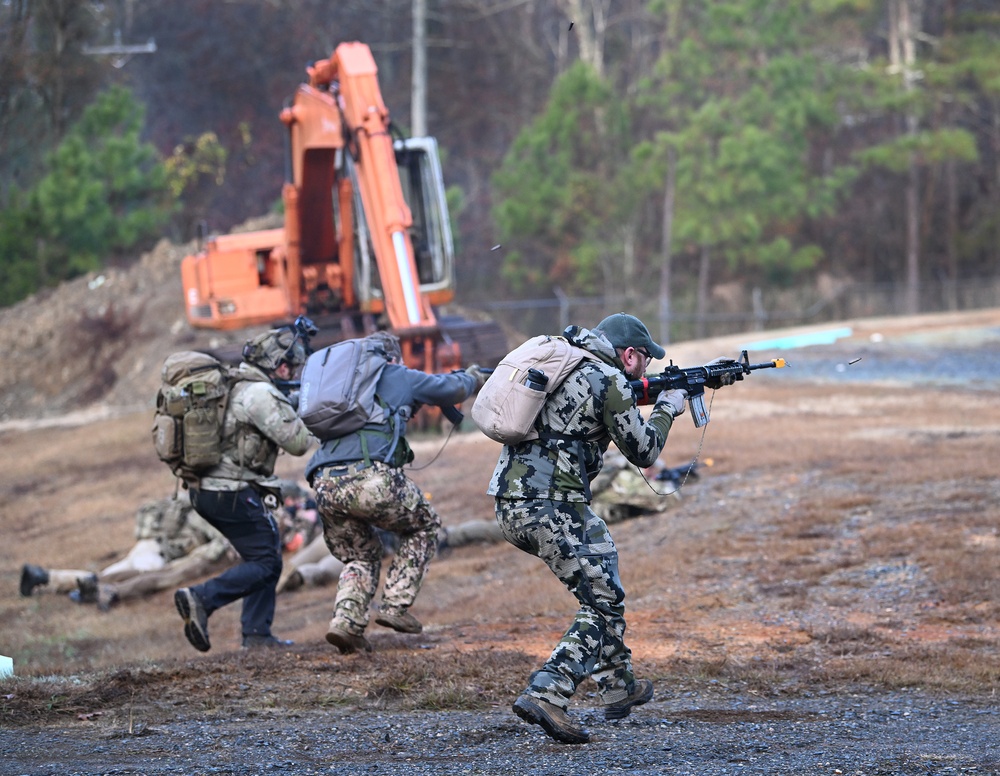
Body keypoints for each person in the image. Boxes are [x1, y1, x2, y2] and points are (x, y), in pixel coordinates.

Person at [487, 312, 691, 745]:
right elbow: (644, 450)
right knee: (601, 603)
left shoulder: (566, 363)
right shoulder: (608, 379)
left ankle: (619, 687)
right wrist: (669, 408)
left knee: (602, 586)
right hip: (553, 505)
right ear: (629, 354)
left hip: (511, 502)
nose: (646, 370)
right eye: (644, 361)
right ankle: (548, 691)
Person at [305, 331, 486, 654]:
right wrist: (472, 377)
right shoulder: (395, 373)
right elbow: (451, 388)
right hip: (370, 478)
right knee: (424, 526)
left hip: (324, 482)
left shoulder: (343, 388)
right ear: (391, 357)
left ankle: (346, 624)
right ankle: (395, 606)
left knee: (359, 554)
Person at [173, 326, 314, 652]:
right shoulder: (260, 394)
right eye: (291, 368)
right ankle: (200, 598)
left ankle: (256, 634)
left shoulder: (236, 385)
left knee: (265, 553)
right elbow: (298, 442)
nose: (291, 374)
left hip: (208, 491)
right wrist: (312, 413)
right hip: (229, 492)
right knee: (266, 561)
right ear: (280, 367)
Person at [19, 494, 234, 611]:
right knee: (139, 576)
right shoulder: (211, 512)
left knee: (112, 572)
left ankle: (46, 578)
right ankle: (68, 583)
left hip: (150, 544)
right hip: (157, 553)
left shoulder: (193, 498)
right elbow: (218, 543)